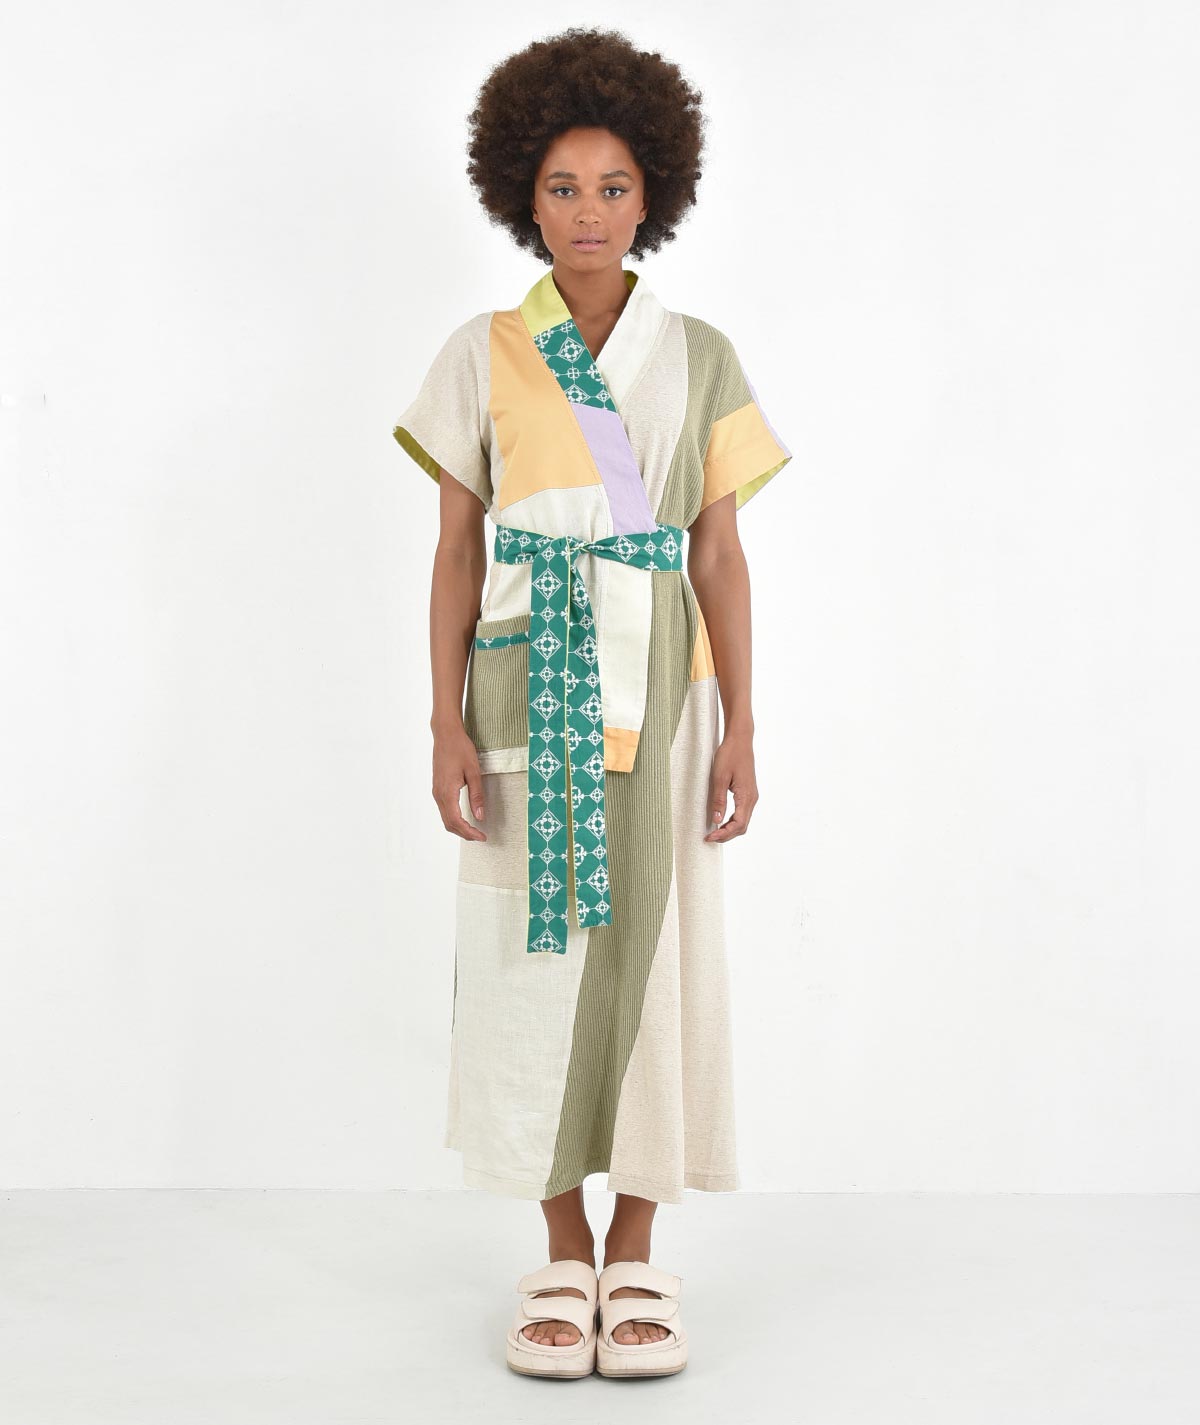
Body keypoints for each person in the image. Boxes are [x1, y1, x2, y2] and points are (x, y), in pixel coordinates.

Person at [392, 26, 792, 1379]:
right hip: (525, 675)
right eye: (562, 186)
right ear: (522, 192)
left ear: (653, 193)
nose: (588, 212)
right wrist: (444, 717)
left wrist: (744, 723)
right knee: (535, 961)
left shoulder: (700, 355)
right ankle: (560, 1243)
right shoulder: (482, 352)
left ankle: (638, 1246)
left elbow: (718, 553)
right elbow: (457, 548)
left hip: (664, 688)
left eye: (614, 186)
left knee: (654, 951)